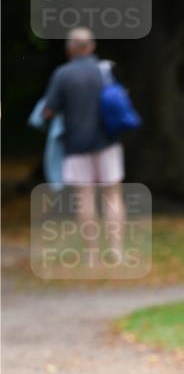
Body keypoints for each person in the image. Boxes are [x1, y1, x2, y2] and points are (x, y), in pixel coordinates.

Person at [42, 27, 125, 266]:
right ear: (92, 46)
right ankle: (116, 251)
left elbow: (48, 111)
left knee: (85, 198)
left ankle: (91, 255)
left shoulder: (62, 74)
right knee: (112, 195)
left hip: (76, 145)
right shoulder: (106, 70)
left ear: (70, 49)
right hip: (108, 142)